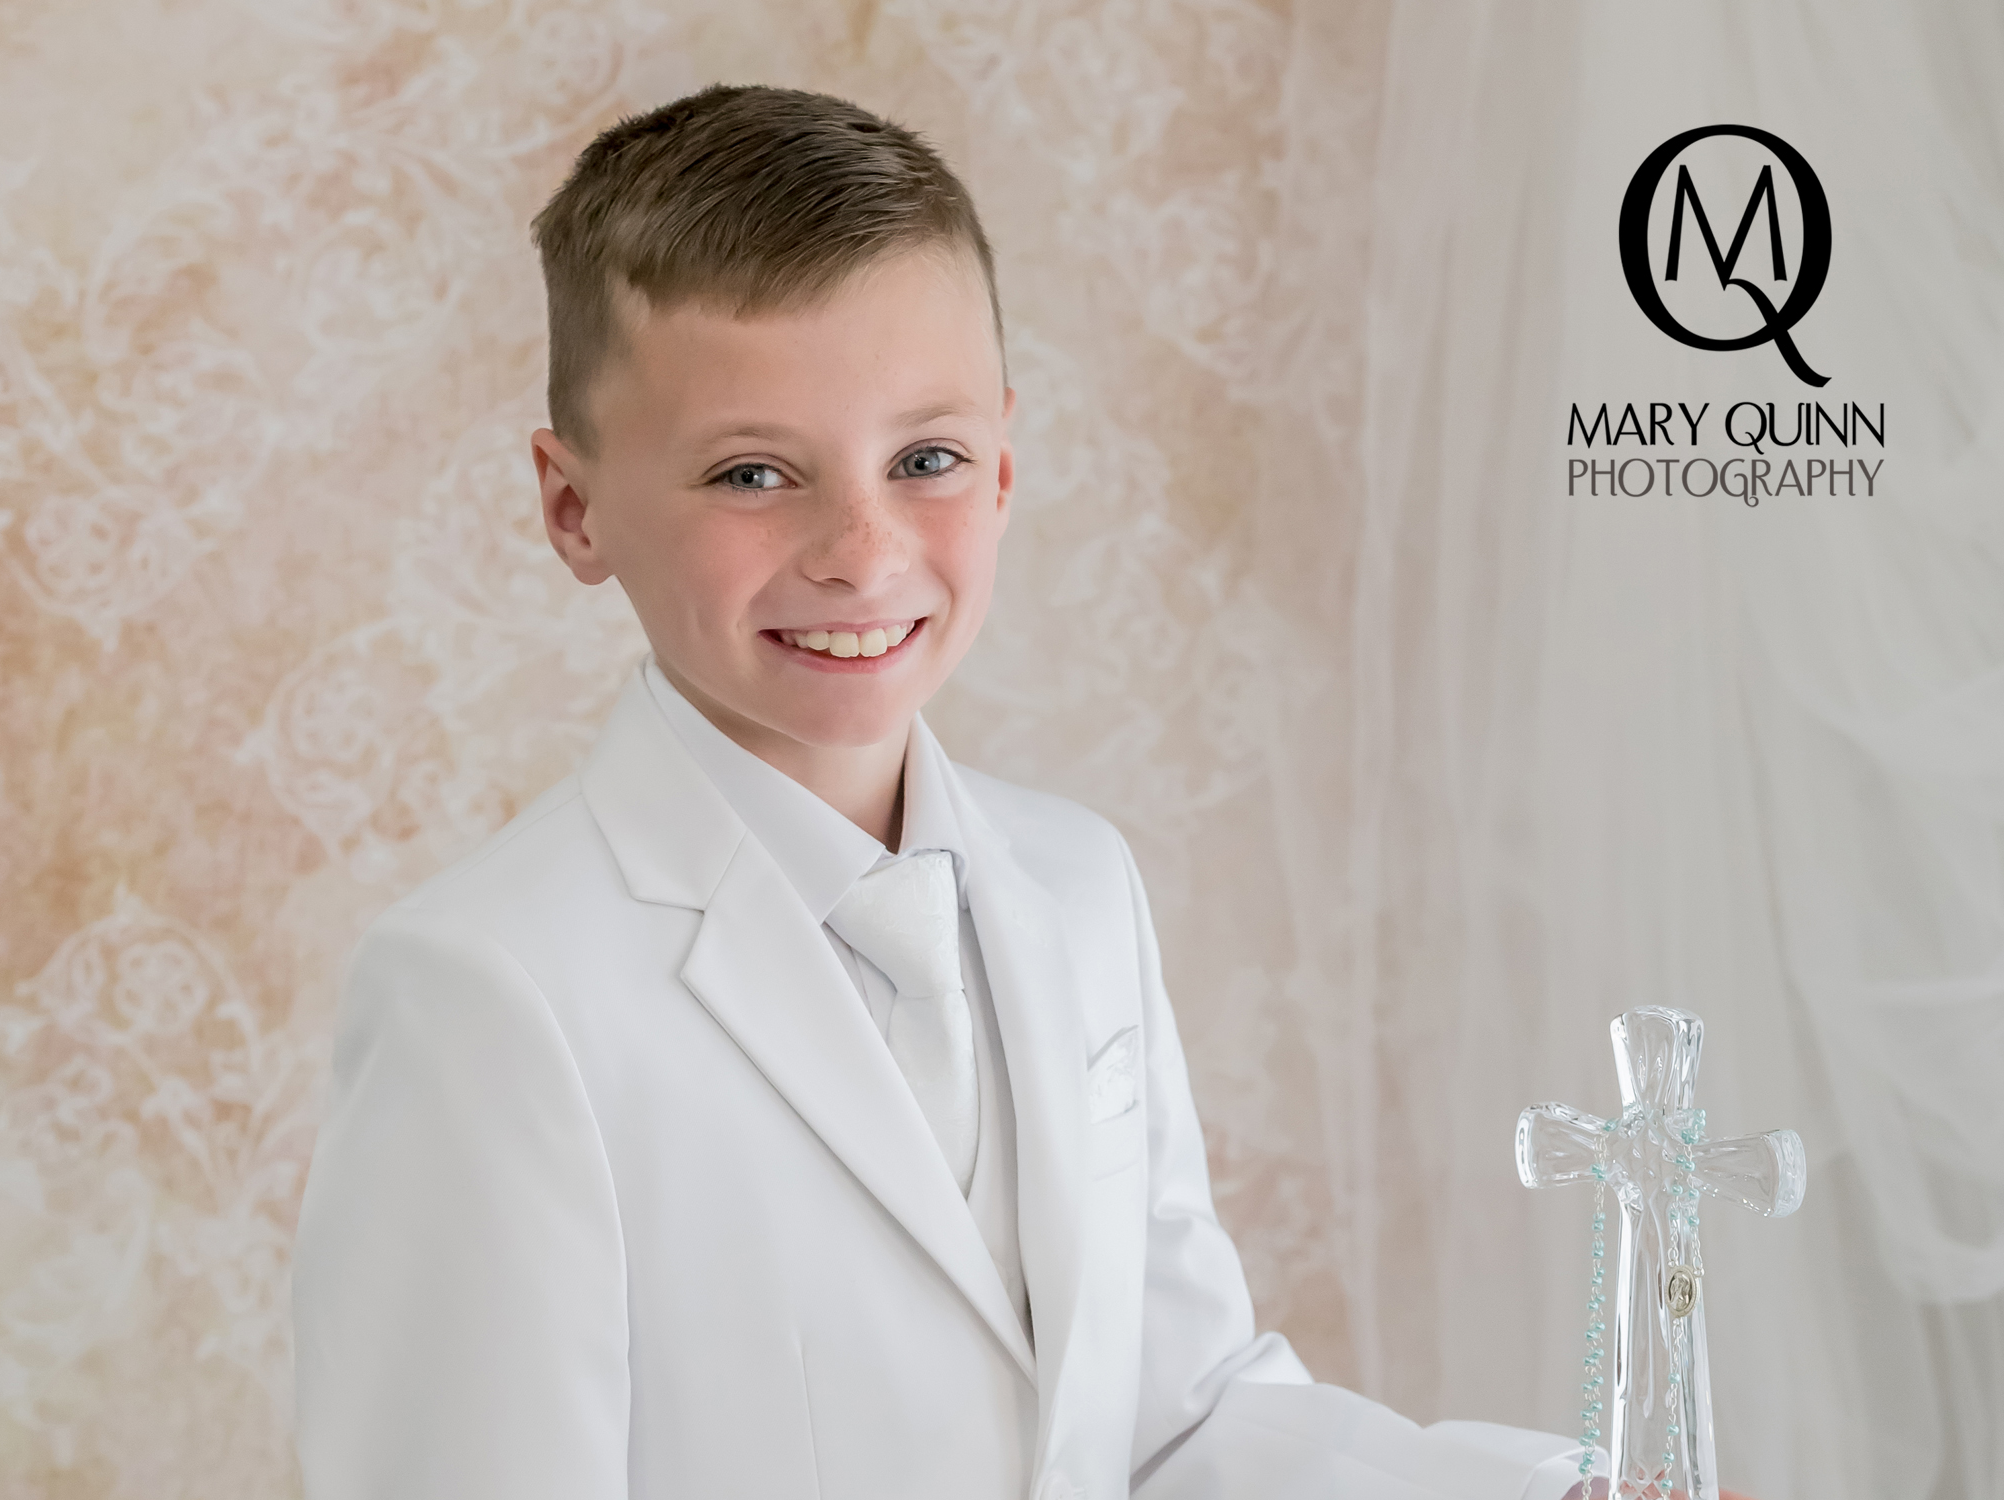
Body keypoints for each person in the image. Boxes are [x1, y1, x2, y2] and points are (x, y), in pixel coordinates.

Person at [289, 83, 1604, 1500]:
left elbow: (1175, 1421)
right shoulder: (490, 992)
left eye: (926, 460)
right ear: (573, 508)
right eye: (752, 472)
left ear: (1006, 463)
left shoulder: (1080, 883)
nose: (860, 551)